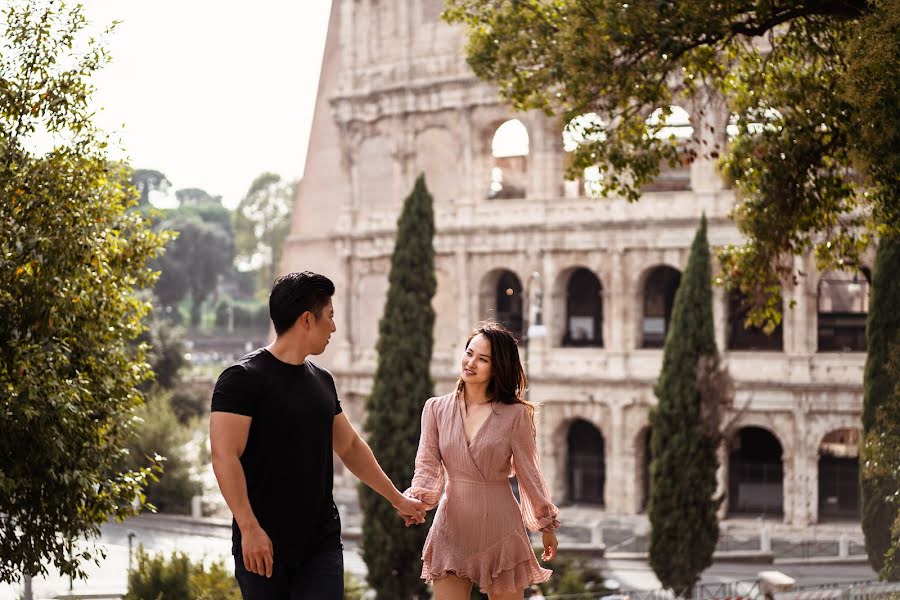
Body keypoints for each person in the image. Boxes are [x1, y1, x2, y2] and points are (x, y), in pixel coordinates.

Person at [209, 271, 425, 600]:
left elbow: (350, 446)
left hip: (320, 542)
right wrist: (249, 528)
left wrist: (398, 498)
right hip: (263, 542)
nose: (334, 327)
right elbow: (225, 456)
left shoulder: (322, 381)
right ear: (307, 320)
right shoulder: (241, 379)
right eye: (330, 316)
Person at [402, 321, 560, 600]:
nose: (471, 362)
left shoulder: (515, 415)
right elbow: (427, 466)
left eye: (483, 359)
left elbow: (529, 473)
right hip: (452, 527)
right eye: (469, 352)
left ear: (498, 366)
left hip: (501, 529)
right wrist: (417, 500)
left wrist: (545, 524)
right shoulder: (435, 409)